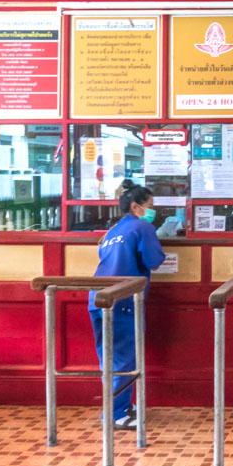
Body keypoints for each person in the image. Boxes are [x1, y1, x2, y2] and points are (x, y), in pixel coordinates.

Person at [90, 179, 166, 430]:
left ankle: (120, 406)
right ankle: (115, 414)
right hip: (123, 300)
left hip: (96, 298)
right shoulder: (141, 227)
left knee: (110, 358)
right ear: (136, 207)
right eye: (150, 205)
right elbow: (154, 260)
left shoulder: (113, 230)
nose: (153, 210)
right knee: (125, 359)